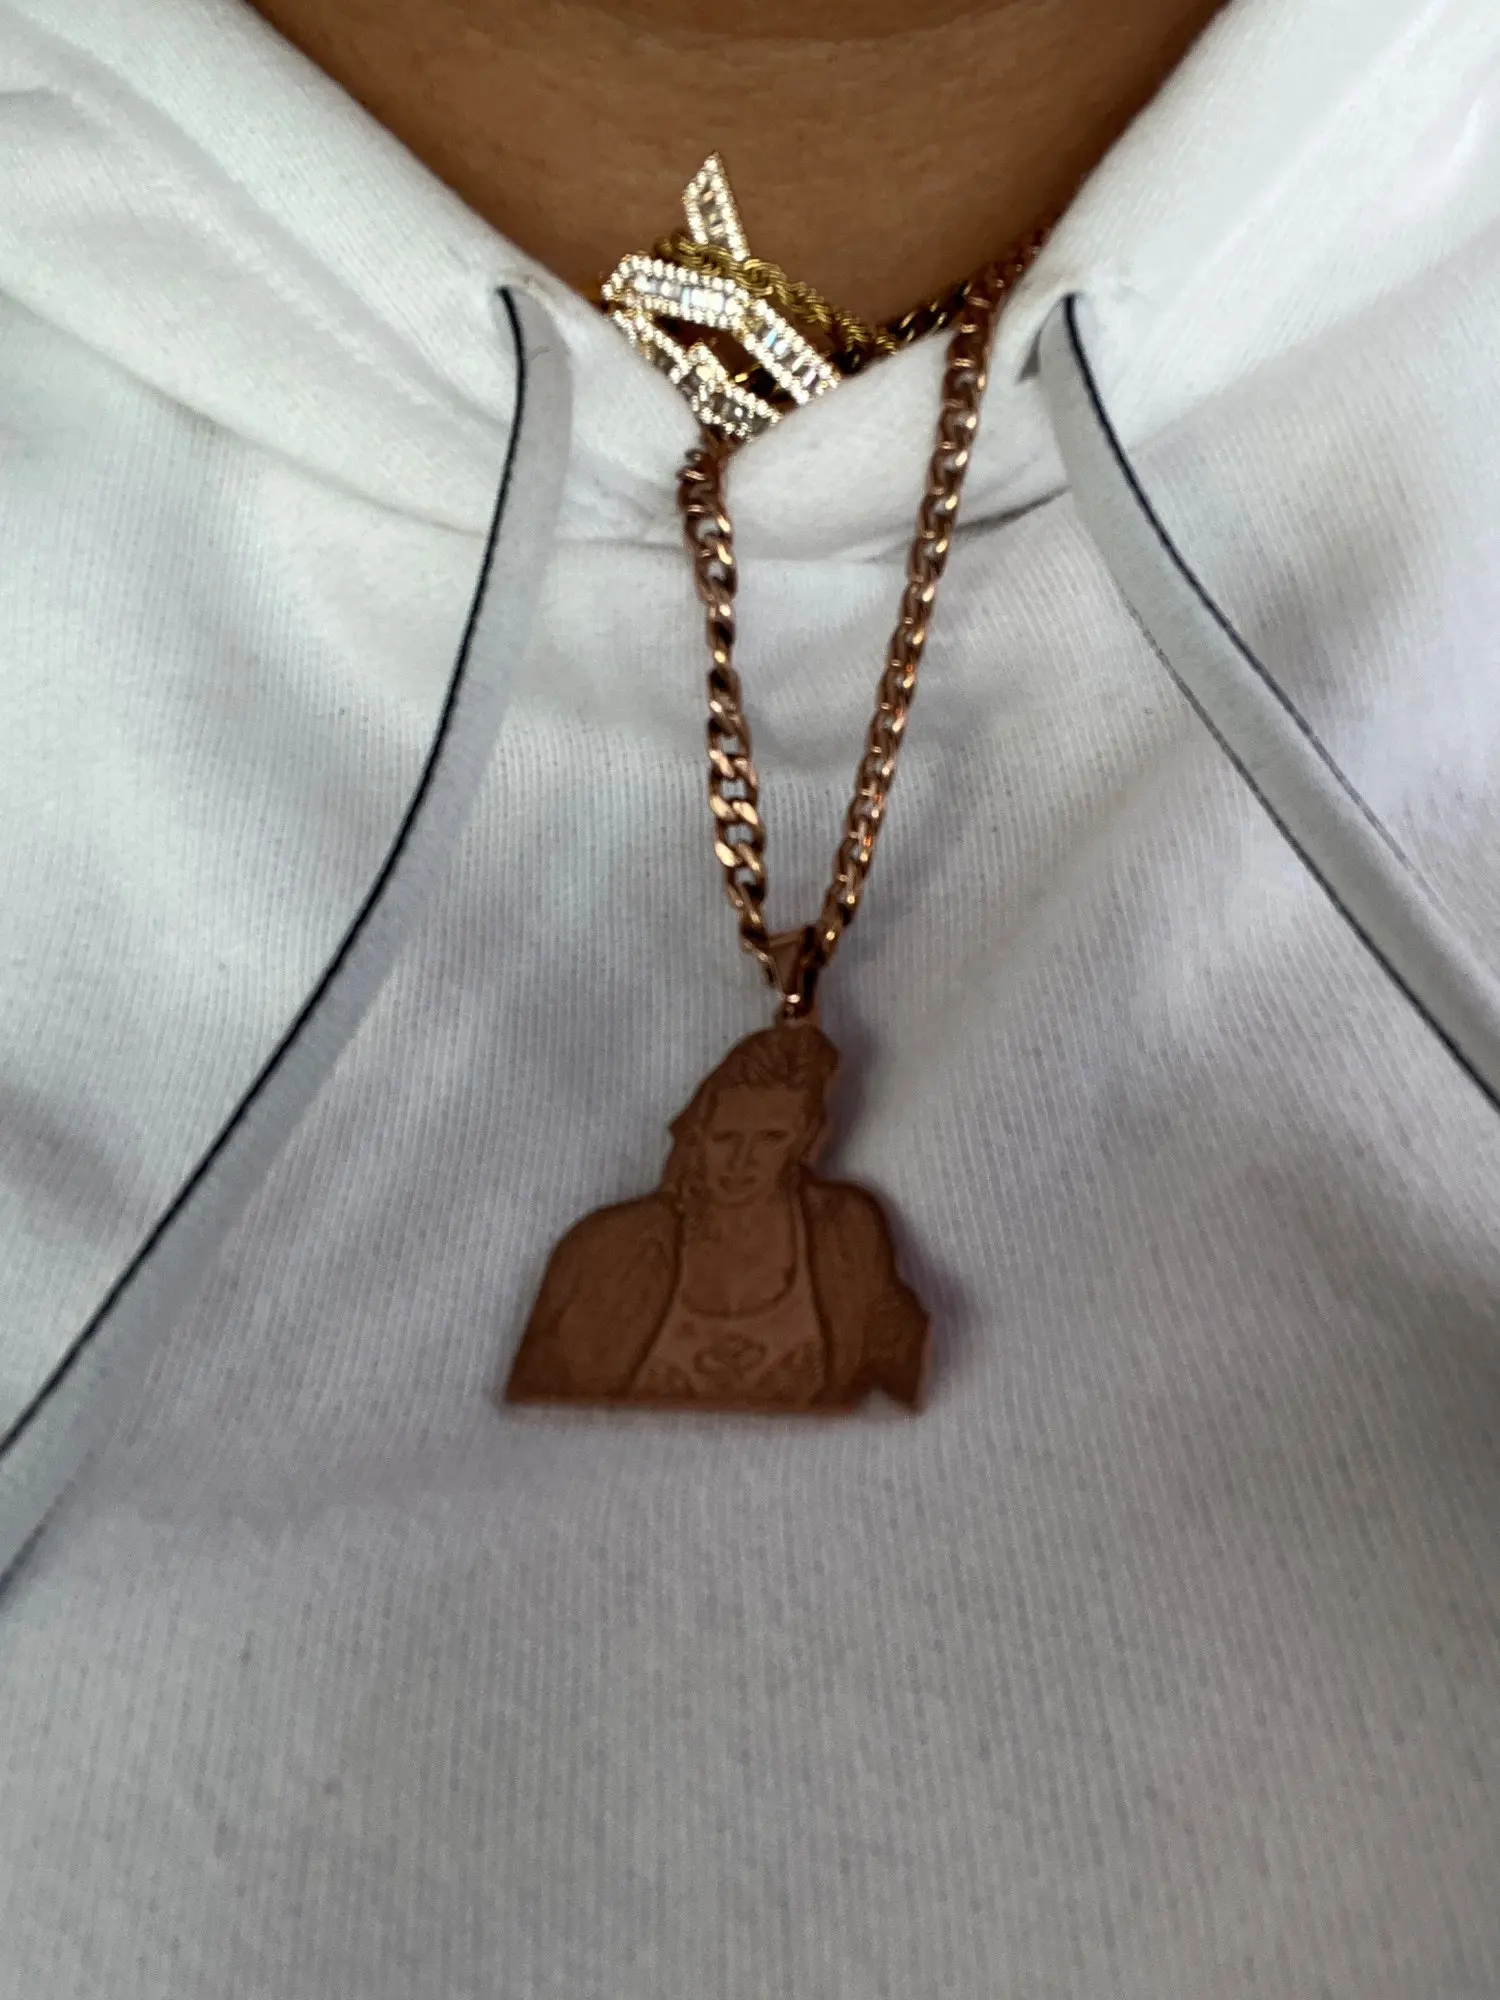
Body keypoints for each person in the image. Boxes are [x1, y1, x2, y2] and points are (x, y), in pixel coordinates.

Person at [2, 0, 1498, 1995]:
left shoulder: (852, 1266)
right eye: (730, 1125)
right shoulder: (608, 1269)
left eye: (761, 1129)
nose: (732, 1149)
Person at [505, 1021, 929, 1409]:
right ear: (698, 1134)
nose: (742, 1161)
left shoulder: (845, 1229)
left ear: (805, 1140)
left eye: (771, 1138)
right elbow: (544, 1391)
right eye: (725, 1137)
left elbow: (893, 1353)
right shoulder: (608, 1245)